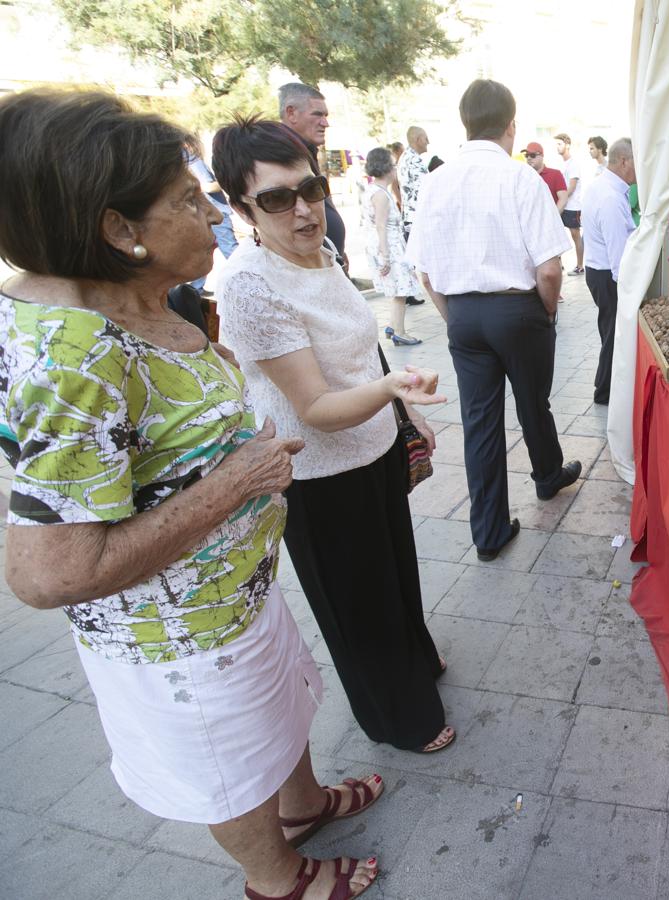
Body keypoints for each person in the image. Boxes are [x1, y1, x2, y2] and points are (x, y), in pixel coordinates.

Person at [0, 89, 381, 900]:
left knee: (279, 714)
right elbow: (49, 575)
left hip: (237, 597)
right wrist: (233, 484)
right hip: (184, 639)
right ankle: (279, 879)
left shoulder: (125, 298)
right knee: (232, 762)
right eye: (189, 200)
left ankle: (305, 808)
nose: (214, 214)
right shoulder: (70, 360)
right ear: (120, 231)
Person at [212, 117, 456, 759]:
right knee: (358, 604)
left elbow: (360, 347)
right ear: (242, 208)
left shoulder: (321, 252)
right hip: (319, 474)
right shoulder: (249, 285)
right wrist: (395, 390)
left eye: (311, 188)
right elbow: (315, 405)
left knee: (395, 575)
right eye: (276, 199)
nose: (303, 209)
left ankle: (415, 663)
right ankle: (398, 717)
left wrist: (402, 413)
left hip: (372, 447)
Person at [406, 79, 582, 558]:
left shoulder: (435, 180)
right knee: (532, 402)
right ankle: (547, 475)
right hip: (517, 309)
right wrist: (545, 310)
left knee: (479, 422)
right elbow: (549, 268)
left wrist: (452, 318)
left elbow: (424, 272)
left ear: (465, 124)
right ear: (510, 126)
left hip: (463, 313)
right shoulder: (519, 176)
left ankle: (488, 532)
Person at [581, 137, 637, 406]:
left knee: (610, 332)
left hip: (599, 270)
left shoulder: (604, 187)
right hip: (607, 274)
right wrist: (627, 289)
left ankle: (604, 386)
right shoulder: (611, 197)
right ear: (625, 161)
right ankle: (605, 392)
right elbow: (618, 256)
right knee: (614, 334)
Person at [278, 82, 347, 273]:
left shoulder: (306, 152)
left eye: (325, 116)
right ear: (291, 113)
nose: (325, 123)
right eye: (317, 114)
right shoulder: (282, 158)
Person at [361, 146, 424, 346]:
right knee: (400, 290)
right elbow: (381, 226)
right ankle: (399, 331)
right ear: (387, 168)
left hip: (385, 246)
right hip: (390, 248)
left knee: (396, 288)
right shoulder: (380, 195)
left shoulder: (374, 191)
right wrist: (386, 257)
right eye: (393, 165)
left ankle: (392, 325)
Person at [185, 147, 238, 294]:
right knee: (232, 251)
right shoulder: (191, 157)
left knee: (204, 249)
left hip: (203, 211)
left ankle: (196, 289)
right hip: (215, 208)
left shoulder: (184, 157)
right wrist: (228, 181)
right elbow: (208, 186)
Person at [555, 133, 587, 274]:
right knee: (556, 234)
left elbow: (572, 187)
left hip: (573, 206)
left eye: (559, 144)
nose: (557, 147)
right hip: (562, 205)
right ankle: (559, 264)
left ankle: (580, 266)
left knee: (575, 236)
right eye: (556, 144)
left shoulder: (573, 164)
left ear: (567, 145)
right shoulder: (561, 164)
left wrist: (562, 199)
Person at [397, 126, 431, 244]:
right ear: (418, 140)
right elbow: (425, 190)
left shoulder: (405, 157)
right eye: (426, 138)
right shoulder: (414, 161)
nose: (428, 142)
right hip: (416, 219)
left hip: (409, 218)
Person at [525, 140, 568, 205]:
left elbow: (563, 199)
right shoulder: (524, 176)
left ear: (542, 156)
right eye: (526, 155)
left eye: (532, 155)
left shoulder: (556, 174)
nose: (528, 158)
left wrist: (553, 215)